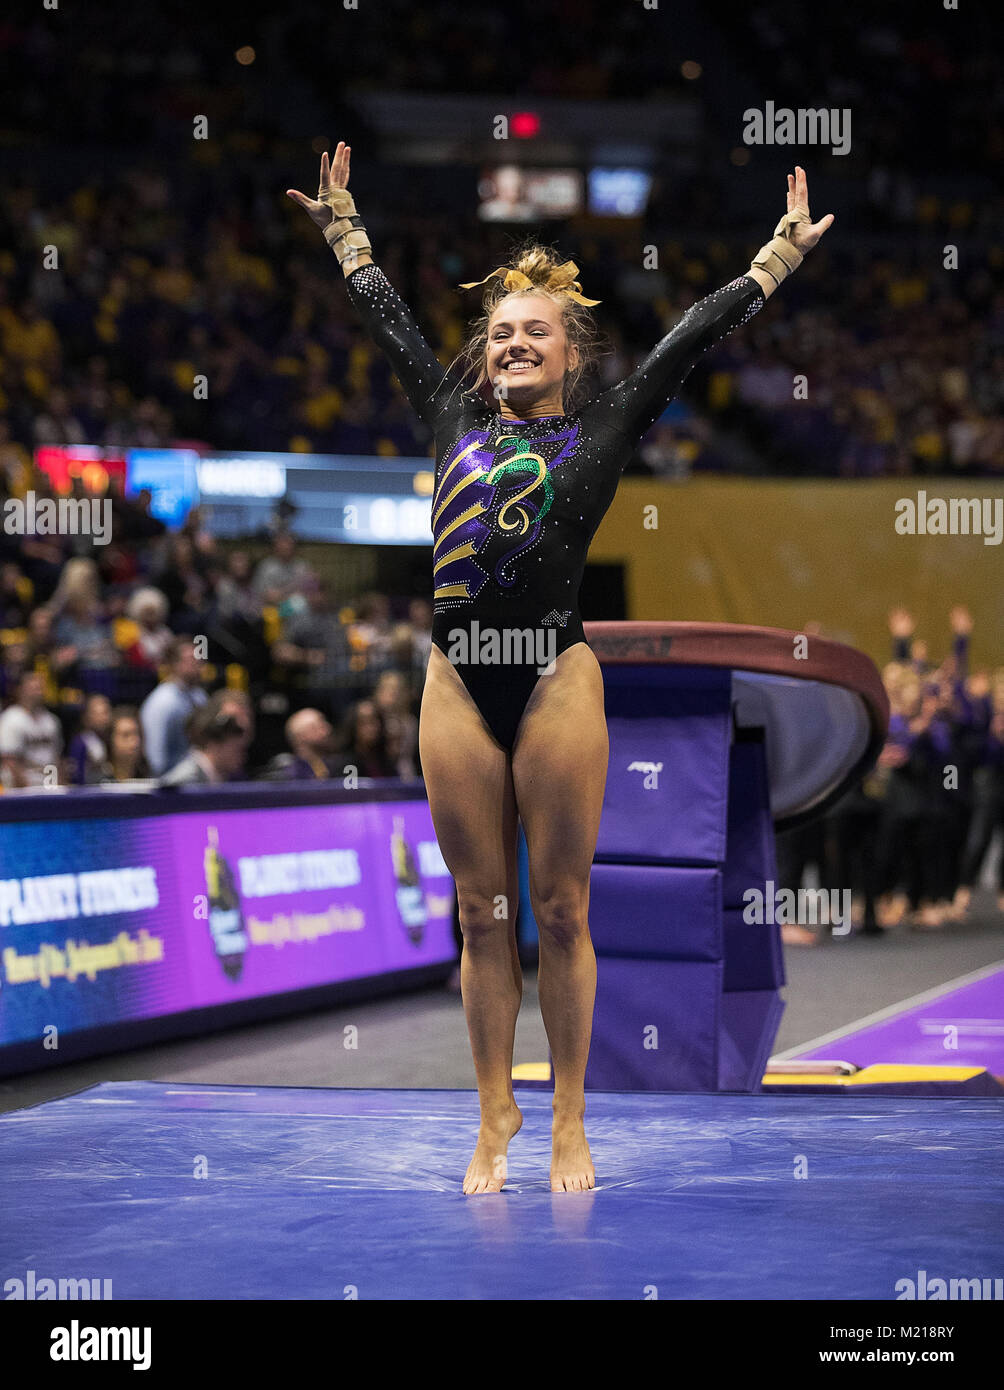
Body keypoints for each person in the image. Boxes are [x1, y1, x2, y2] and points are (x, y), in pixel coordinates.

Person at [288, 145, 832, 1194]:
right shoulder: (449, 416)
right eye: (499, 332)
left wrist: (775, 258)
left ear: (569, 354)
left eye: (534, 331)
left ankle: (569, 1118)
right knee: (478, 913)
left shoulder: (604, 425)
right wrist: (345, 232)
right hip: (457, 683)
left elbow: (687, 339)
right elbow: (389, 322)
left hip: (553, 678)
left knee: (565, 907)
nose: (512, 343)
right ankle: (493, 1110)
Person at [139, 636, 208, 776]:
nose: (197, 663)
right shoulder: (162, 702)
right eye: (191, 659)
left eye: (199, 657)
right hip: (172, 780)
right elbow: (155, 758)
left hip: (199, 776)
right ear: (174, 664)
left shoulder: (199, 696)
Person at [158, 704, 250, 787]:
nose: (243, 757)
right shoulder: (184, 783)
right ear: (214, 744)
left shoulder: (223, 778)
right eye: (238, 750)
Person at [0, 670, 63, 788]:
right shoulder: (11, 719)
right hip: (22, 787)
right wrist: (26, 789)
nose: (38, 692)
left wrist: (59, 785)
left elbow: (57, 758)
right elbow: (9, 761)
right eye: (33, 688)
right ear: (20, 690)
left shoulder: (51, 720)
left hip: (49, 784)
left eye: (40, 687)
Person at [67, 691, 112, 785]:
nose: (102, 718)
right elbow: (76, 777)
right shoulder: (81, 743)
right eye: (96, 713)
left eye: (105, 713)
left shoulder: (113, 737)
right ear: (86, 717)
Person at [99, 705, 151, 782]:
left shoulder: (149, 778)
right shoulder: (96, 782)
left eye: (137, 734)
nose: (135, 742)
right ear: (110, 740)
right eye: (126, 735)